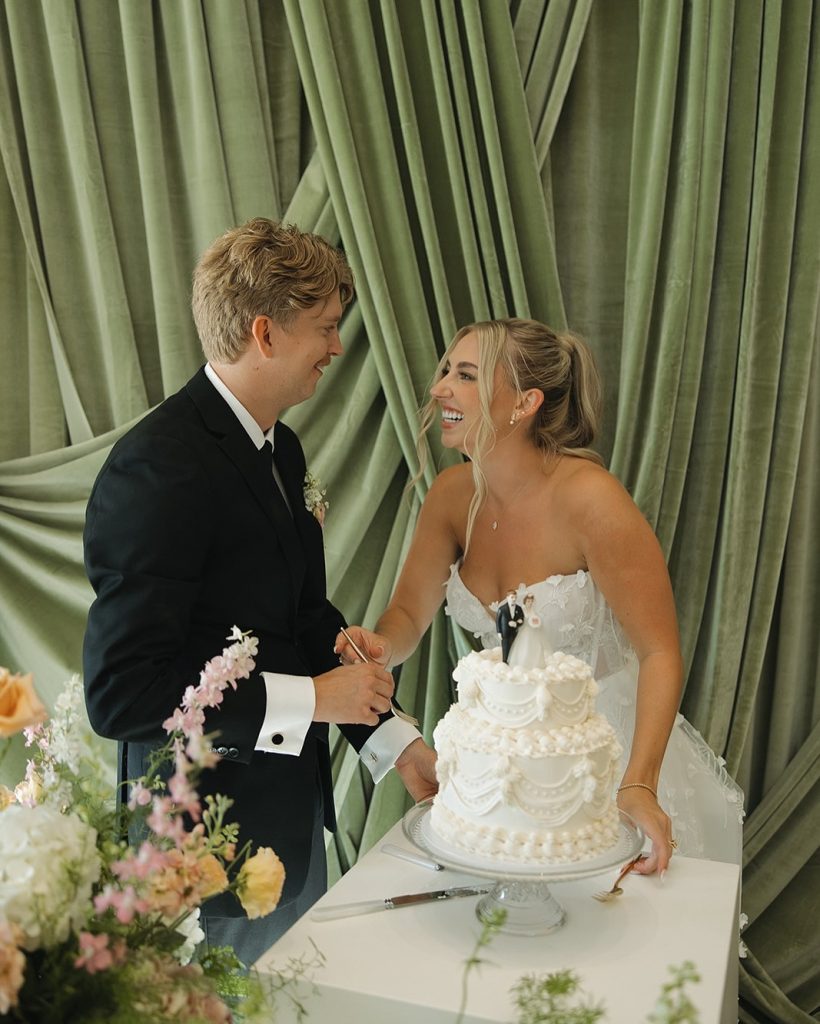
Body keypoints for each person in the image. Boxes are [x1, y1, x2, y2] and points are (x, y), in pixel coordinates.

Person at [82, 218, 430, 966]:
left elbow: (302, 615)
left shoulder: (282, 445)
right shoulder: (159, 468)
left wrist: (396, 742)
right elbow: (120, 694)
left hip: (287, 832)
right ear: (266, 334)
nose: (338, 348)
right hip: (195, 860)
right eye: (328, 329)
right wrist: (314, 699)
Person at [339, 318, 744, 875]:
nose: (439, 389)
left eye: (464, 375)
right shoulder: (451, 496)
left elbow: (659, 653)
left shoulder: (591, 500)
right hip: (506, 763)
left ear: (524, 402)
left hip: (610, 754)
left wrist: (639, 781)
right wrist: (382, 644)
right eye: (444, 372)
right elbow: (408, 612)